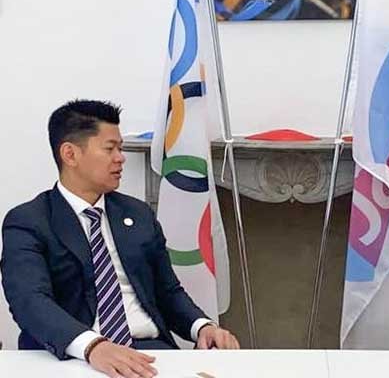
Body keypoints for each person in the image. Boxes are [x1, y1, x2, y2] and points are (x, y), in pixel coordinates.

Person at [1, 100, 239, 378]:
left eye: (121, 148)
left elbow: (168, 291)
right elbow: (30, 301)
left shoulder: (138, 214)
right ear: (70, 154)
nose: (120, 158)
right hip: (71, 355)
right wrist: (93, 346)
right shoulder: (29, 221)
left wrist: (202, 327)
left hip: (149, 353)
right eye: (109, 148)